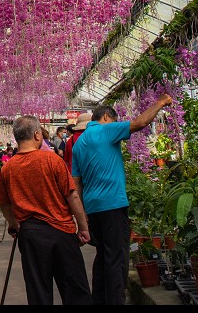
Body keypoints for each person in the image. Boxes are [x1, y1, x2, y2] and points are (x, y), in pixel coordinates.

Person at [71, 95, 173, 305]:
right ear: (107, 117)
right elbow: (141, 122)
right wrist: (161, 103)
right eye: (115, 120)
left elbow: (76, 183)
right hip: (112, 205)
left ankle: (99, 300)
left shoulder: (79, 143)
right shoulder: (107, 130)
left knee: (103, 257)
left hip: (92, 208)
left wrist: (79, 215)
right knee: (117, 260)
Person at [0, 115, 92, 305]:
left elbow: (5, 204)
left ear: (17, 138)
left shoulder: (8, 169)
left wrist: (14, 224)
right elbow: (72, 196)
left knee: (39, 291)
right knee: (75, 289)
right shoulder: (52, 160)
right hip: (61, 232)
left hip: (31, 235)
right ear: (37, 135)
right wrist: (83, 226)